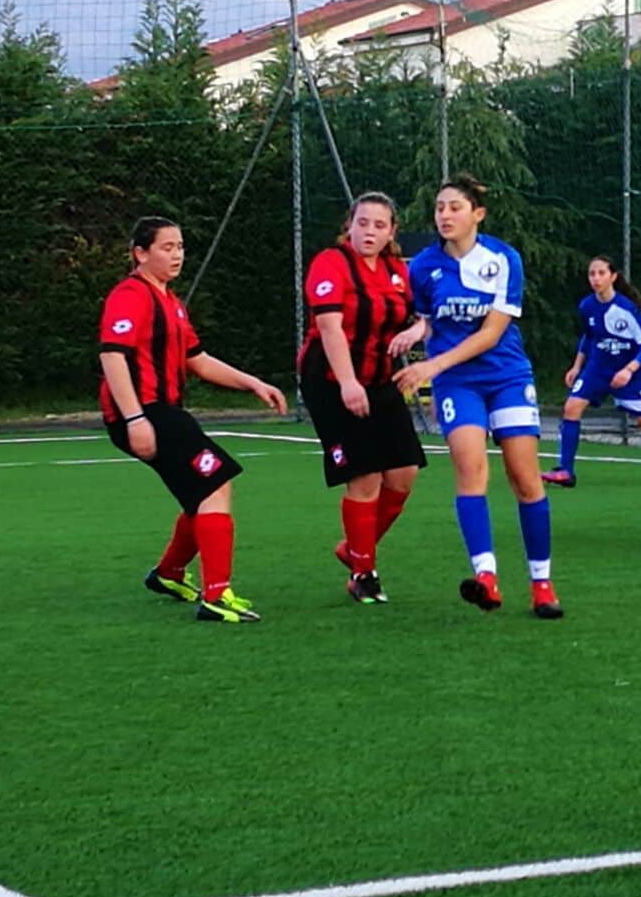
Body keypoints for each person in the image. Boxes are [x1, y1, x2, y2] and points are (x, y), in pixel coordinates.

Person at [99, 216, 288, 623]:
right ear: (140, 253)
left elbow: (197, 361)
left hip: (162, 412)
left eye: (180, 246)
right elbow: (112, 355)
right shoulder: (130, 295)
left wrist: (253, 383)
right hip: (145, 411)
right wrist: (135, 418)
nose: (177, 255)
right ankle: (216, 596)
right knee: (216, 484)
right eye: (167, 247)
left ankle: (169, 574)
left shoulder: (171, 303)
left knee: (201, 493)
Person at [392, 174, 562, 619]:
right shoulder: (423, 267)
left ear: (477, 214)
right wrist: (417, 330)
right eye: (440, 207)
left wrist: (432, 364)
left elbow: (491, 333)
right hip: (458, 383)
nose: (445, 215)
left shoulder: (504, 258)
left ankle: (541, 583)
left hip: (505, 375)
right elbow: (431, 321)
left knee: (525, 479)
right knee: (470, 470)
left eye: (455, 207)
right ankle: (485, 576)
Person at [298, 191, 427, 605]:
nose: (369, 231)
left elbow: (424, 316)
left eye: (379, 225)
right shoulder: (330, 263)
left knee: (405, 472)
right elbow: (330, 327)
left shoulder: (396, 270)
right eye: (363, 222)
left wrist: (416, 331)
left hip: (379, 377)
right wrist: (349, 382)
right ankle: (363, 572)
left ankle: (354, 546)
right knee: (366, 474)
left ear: (391, 232)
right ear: (349, 224)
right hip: (331, 379)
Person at [541, 254, 641, 488]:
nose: (596, 278)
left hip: (628, 373)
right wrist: (577, 366)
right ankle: (565, 471)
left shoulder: (627, 310)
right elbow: (588, 337)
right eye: (592, 274)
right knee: (571, 408)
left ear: (613, 277)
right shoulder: (587, 306)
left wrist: (628, 370)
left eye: (601, 273)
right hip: (597, 368)